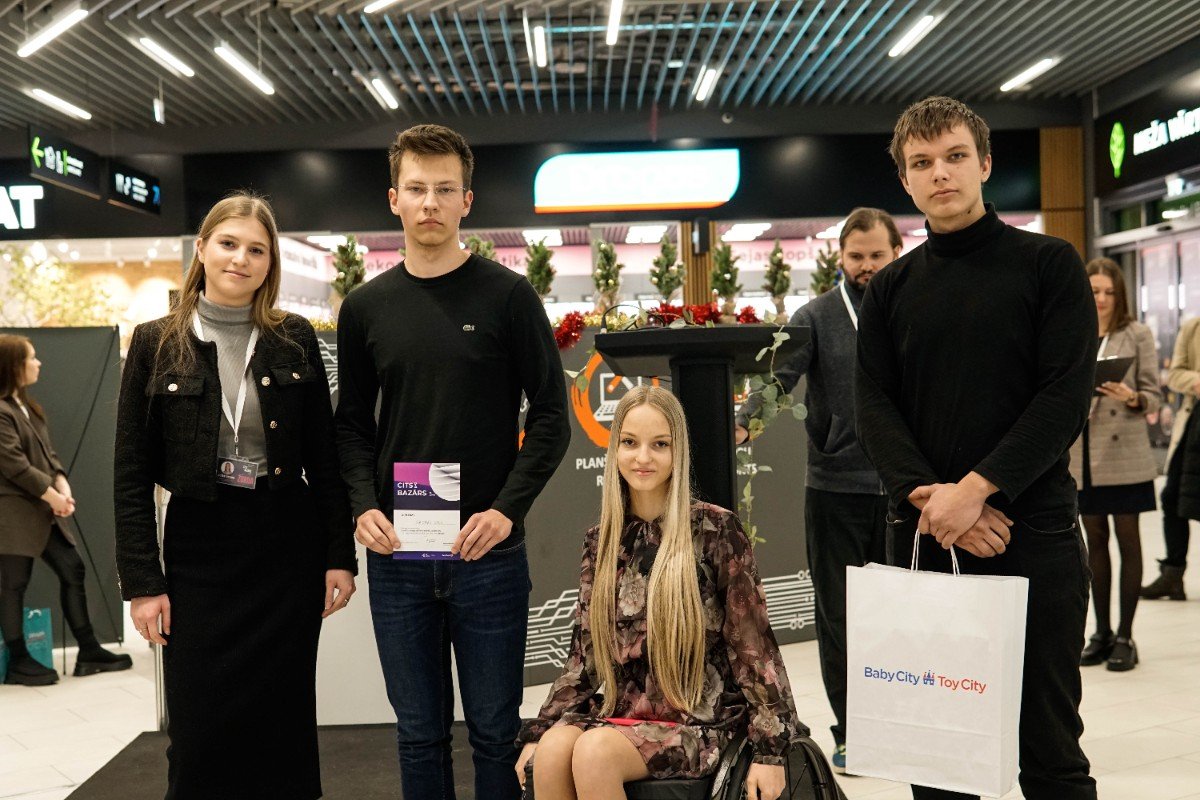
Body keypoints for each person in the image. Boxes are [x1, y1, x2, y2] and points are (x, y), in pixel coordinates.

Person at [855, 96, 1097, 799]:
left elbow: (1063, 397)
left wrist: (976, 490)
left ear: (985, 164)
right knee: (938, 759)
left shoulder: (1049, 264)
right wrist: (936, 501)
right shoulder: (890, 289)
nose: (941, 173)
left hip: (1034, 533)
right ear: (906, 180)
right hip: (930, 538)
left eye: (955, 156)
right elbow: (873, 406)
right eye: (923, 162)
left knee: (1050, 751)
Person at [335, 124, 571, 800]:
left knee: (496, 733)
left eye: (445, 189)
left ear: (467, 201)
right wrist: (362, 504)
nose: (430, 202)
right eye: (416, 189)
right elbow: (351, 425)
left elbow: (551, 417)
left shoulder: (509, 297)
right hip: (400, 554)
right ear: (394, 199)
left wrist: (506, 511)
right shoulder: (365, 308)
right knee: (418, 734)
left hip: (487, 555)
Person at [114, 193, 356, 799]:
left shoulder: (293, 337)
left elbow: (325, 459)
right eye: (228, 244)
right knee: (198, 727)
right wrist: (143, 582)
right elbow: (130, 472)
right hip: (199, 546)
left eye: (256, 250)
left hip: (284, 546)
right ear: (202, 248)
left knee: (283, 722)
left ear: (270, 263)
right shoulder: (155, 342)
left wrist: (339, 555)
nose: (240, 259)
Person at [516, 386, 798, 800]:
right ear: (615, 450)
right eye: (630, 443)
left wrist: (770, 753)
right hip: (624, 713)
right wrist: (540, 731)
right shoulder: (601, 541)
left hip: (698, 719)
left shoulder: (716, 530)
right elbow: (584, 657)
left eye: (659, 444)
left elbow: (754, 648)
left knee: (594, 753)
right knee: (554, 749)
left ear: (677, 451)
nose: (643, 457)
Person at [733, 207, 900, 772]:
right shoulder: (817, 315)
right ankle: (852, 730)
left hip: (908, 489)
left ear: (896, 253)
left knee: (901, 614)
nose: (867, 266)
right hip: (835, 488)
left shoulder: (912, 307)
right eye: (856, 256)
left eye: (877, 255)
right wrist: (745, 423)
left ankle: (902, 725)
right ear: (841, 258)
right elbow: (778, 378)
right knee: (840, 616)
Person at [0, 334, 132, 685]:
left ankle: (88, 650)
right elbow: (13, 465)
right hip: (14, 515)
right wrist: (52, 496)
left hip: (41, 508)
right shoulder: (2, 411)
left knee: (72, 569)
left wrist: (61, 482)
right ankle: (18, 661)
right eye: (31, 357)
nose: (38, 363)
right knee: (13, 584)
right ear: (13, 365)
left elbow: (48, 454)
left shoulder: (26, 406)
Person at [1070, 257, 1160, 671]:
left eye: (1109, 292)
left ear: (1120, 295)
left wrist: (1131, 396)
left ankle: (1126, 635)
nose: (1102, 299)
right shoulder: (1072, 330)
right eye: (1094, 291)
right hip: (1082, 454)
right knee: (1094, 543)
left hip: (1125, 453)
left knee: (1128, 539)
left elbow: (1153, 395)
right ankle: (1101, 632)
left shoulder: (1136, 333)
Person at [1143, 316, 1200, 601]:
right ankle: (1173, 574)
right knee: (1172, 496)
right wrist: (1196, 380)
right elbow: (1175, 374)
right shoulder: (1193, 328)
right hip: (1195, 423)